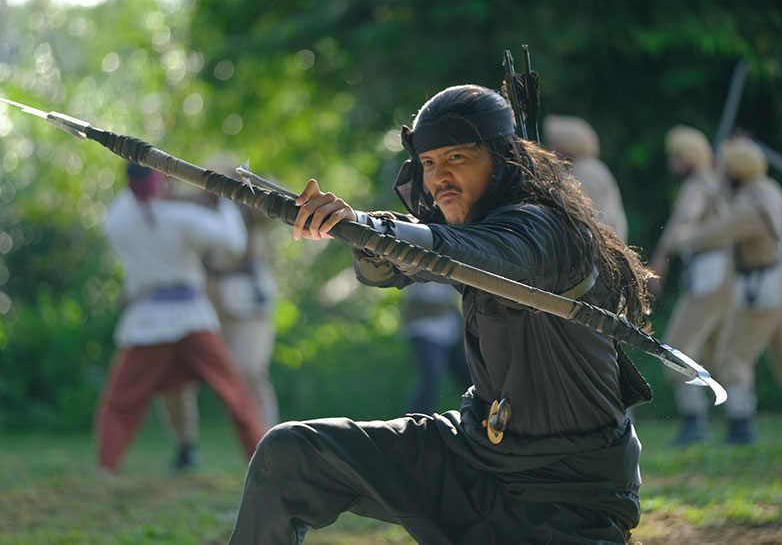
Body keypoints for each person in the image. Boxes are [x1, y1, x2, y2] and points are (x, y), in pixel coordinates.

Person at [227, 84, 654, 544]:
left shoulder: (545, 230)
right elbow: (386, 268)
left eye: (457, 157)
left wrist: (374, 228)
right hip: (475, 454)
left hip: (569, 497)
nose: (439, 177)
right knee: (291, 453)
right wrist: (357, 228)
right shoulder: (474, 225)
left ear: (503, 159)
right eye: (428, 163)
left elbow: (464, 251)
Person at [95, 161, 266, 474]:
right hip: (191, 319)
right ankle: (262, 458)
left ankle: (106, 466)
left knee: (120, 401)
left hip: (146, 321)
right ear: (159, 183)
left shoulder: (118, 218)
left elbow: (130, 203)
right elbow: (234, 240)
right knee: (235, 395)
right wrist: (224, 197)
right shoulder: (181, 218)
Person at [159, 153, 281, 470]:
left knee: (248, 369)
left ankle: (269, 447)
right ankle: (185, 445)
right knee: (172, 371)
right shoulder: (192, 205)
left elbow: (280, 206)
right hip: (198, 300)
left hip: (247, 300)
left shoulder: (249, 204)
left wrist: (249, 186)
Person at [669, 137, 782, 444]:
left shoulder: (751, 206)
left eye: (725, 167)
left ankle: (741, 426)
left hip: (763, 286)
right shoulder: (766, 189)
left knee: (732, 357)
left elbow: (717, 232)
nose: (720, 172)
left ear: (737, 170)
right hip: (777, 280)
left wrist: (683, 239)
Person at [647, 125, 734, 444]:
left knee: (678, 348)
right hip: (725, 273)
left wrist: (661, 258)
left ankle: (694, 422)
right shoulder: (716, 182)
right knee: (719, 351)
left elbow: (684, 221)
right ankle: (740, 422)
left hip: (710, 273)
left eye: (678, 156)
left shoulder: (697, 186)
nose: (672, 162)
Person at [544, 114, 629, 242]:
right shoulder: (591, 167)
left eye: (553, 144)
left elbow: (590, 217)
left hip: (600, 245)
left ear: (567, 145)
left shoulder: (584, 171)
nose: (549, 149)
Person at [401, 280, 471, 414]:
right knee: (431, 379)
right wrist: (443, 308)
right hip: (424, 333)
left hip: (450, 335)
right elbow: (412, 307)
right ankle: (415, 419)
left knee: (471, 378)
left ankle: (478, 416)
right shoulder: (416, 275)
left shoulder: (451, 276)